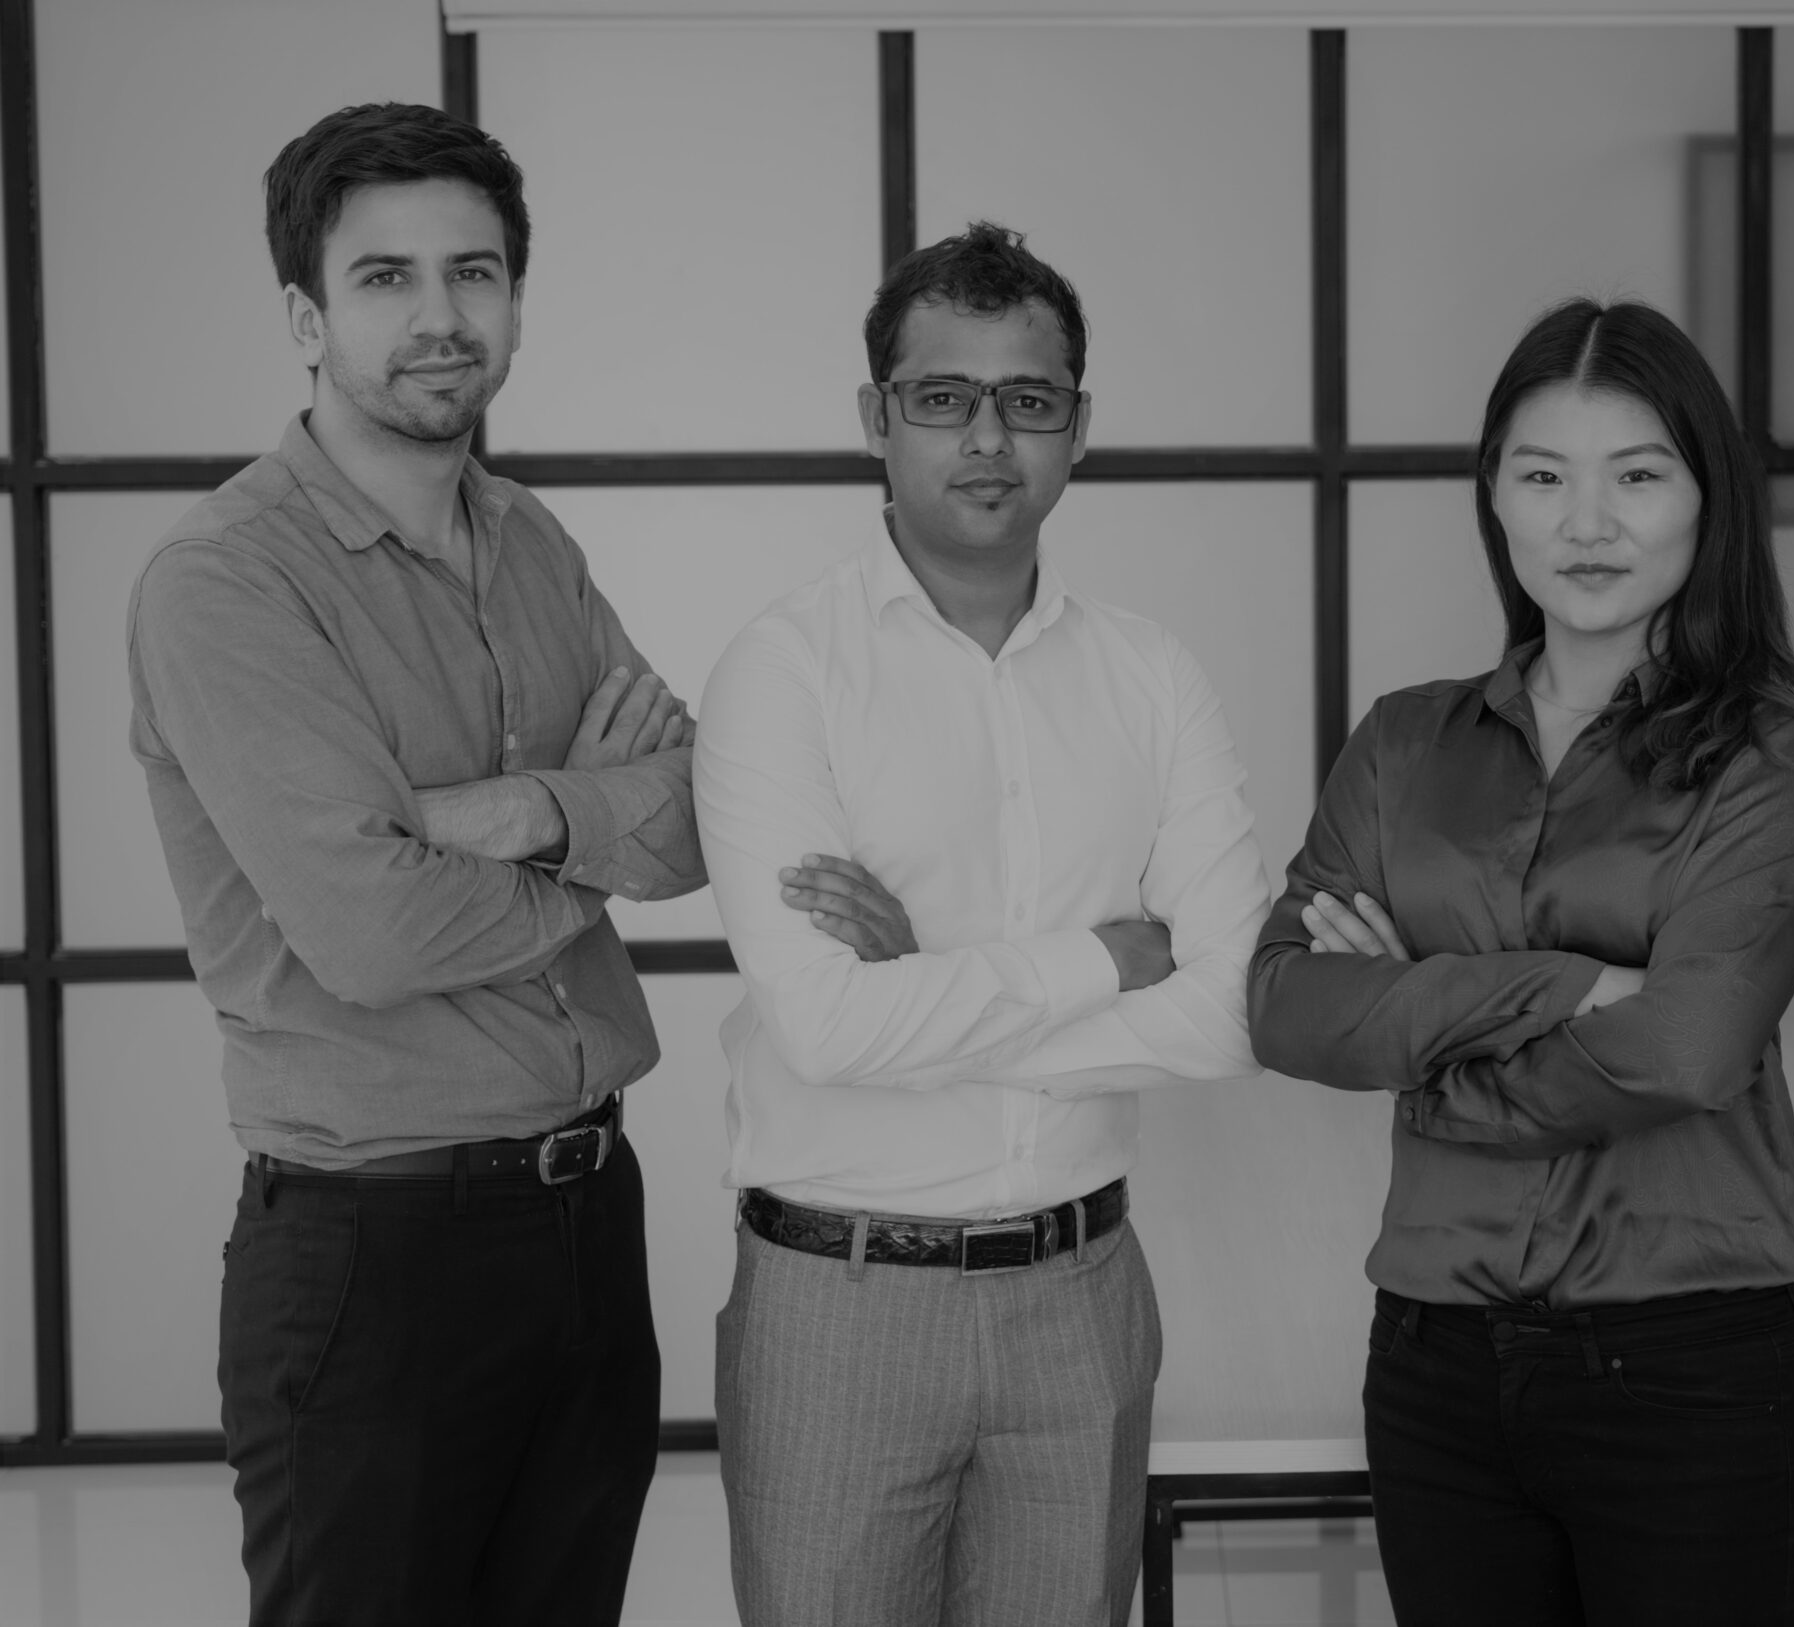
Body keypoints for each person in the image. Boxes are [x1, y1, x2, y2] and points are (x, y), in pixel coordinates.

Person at [127, 102, 704, 1625]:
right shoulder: (226, 583)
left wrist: (509, 809)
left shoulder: (532, 545)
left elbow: (702, 817)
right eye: (388, 279)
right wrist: (595, 822)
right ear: (308, 319)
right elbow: (372, 935)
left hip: (589, 1218)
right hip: (374, 1252)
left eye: (477, 273)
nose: (442, 317)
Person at [692, 220, 1269, 1627]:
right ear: (876, 420)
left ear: (1081, 427)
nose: (989, 440)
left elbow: (1231, 1007)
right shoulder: (785, 672)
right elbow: (825, 1031)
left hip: (1078, 1298)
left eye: (1031, 401)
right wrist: (1099, 962)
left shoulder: (1150, 677)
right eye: (943, 398)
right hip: (841, 1301)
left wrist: (935, 992)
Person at [1248, 298, 1794, 1625]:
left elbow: (1690, 1049)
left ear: (1707, 499)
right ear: (1495, 501)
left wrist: (1415, 1032)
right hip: (1434, 1366)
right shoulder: (1406, 743)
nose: (1588, 525)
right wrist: (1570, 989)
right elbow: (1285, 1004)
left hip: (1688, 1370)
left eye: (1638, 476)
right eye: (1544, 477)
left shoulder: (1777, 744)